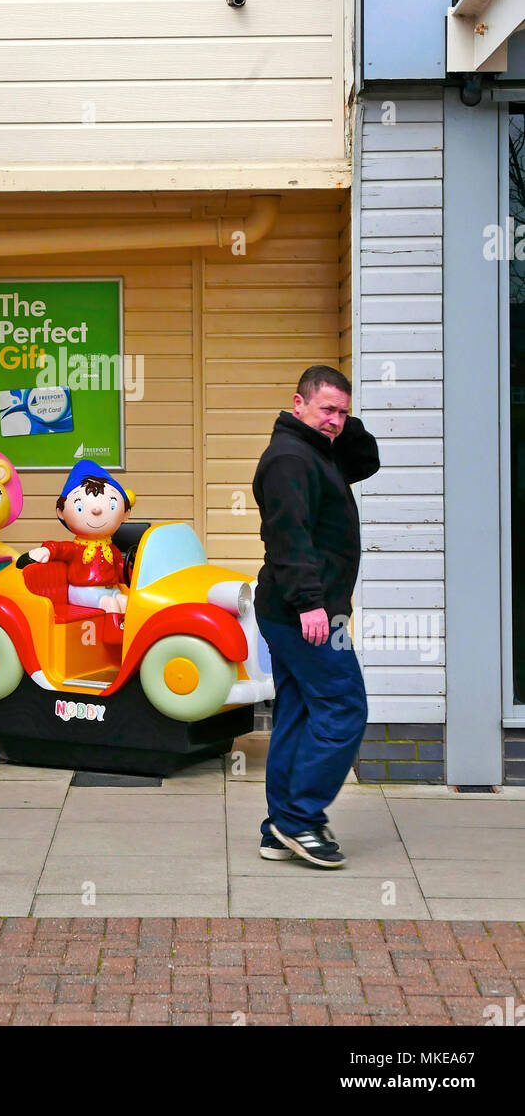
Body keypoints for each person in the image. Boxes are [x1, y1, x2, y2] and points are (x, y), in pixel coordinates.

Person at [252, 365, 380, 868]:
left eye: (343, 412)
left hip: (303, 608)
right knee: (344, 708)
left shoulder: (316, 450)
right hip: (306, 611)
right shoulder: (289, 459)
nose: (336, 420)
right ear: (297, 403)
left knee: (298, 713)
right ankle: (300, 819)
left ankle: (277, 826)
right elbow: (289, 536)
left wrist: (342, 426)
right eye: (327, 409)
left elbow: (366, 461)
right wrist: (310, 603)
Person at [27, 459, 136, 614]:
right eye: (79, 507)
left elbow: (121, 570)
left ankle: (126, 637)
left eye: (112, 505)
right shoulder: (77, 548)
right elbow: (60, 548)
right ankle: (108, 638)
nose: (97, 510)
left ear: (125, 514)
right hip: (84, 591)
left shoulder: (112, 549)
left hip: (111, 589)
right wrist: (47, 550)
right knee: (111, 605)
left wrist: (136, 573)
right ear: (61, 513)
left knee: (127, 603)